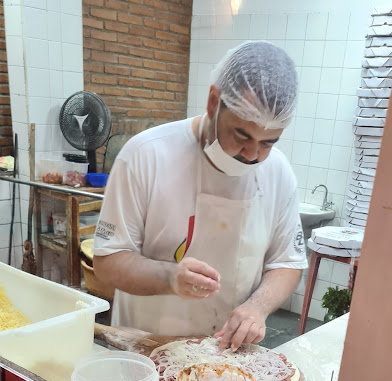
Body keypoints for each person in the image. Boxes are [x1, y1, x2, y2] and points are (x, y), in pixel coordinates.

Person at [93, 40, 308, 351]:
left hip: (225, 357)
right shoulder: (145, 156)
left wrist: (257, 307)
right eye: (241, 134)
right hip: (144, 351)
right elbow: (108, 262)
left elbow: (287, 263)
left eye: (268, 142)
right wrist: (169, 277)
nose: (252, 155)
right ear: (213, 102)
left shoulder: (278, 172)